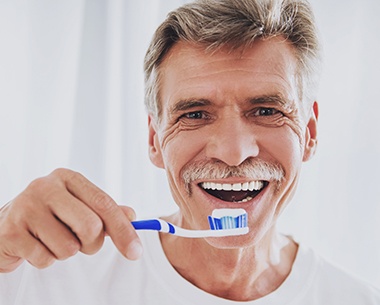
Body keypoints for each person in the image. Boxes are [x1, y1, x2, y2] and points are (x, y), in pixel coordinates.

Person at [1, 0, 379, 304]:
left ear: (309, 132)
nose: (233, 154)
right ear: (155, 139)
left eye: (267, 111)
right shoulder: (44, 276)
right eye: (195, 114)